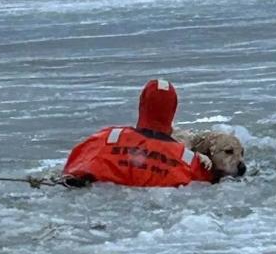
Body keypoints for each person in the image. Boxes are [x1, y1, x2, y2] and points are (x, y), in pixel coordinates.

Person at [62, 79, 214, 187]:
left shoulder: (109, 137)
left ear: (142, 104)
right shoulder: (186, 159)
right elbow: (210, 180)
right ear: (173, 110)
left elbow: (74, 164)